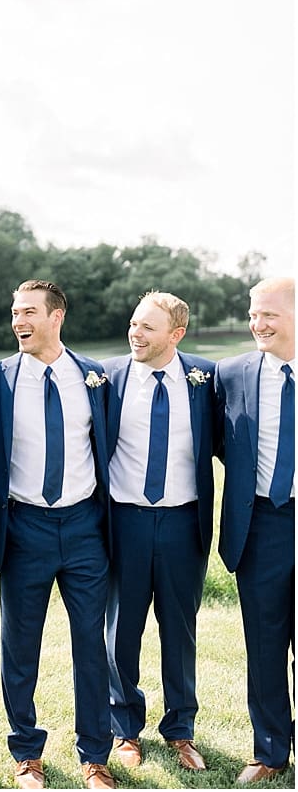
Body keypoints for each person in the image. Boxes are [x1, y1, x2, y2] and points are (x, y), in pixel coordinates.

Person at [0, 280, 116, 790]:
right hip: (24, 527)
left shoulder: (93, 377)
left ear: (56, 316)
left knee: (91, 643)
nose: (19, 321)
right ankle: (26, 753)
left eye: (30, 312)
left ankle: (96, 756)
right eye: (15, 312)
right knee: (20, 645)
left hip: (85, 527)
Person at [100, 292, 217, 772]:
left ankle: (180, 729)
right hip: (124, 519)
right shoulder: (106, 377)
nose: (136, 333)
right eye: (133, 323)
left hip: (182, 523)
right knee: (120, 631)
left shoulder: (207, 380)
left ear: (177, 333)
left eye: (148, 327)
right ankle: (124, 729)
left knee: (179, 631)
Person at [214, 277, 295, 785]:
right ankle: (270, 751)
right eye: (252, 314)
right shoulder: (233, 373)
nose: (257, 324)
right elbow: (221, 443)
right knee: (264, 643)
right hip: (262, 524)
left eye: (269, 314)